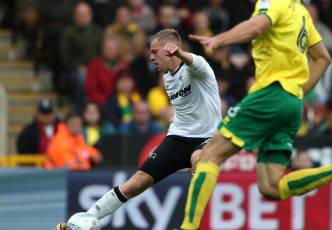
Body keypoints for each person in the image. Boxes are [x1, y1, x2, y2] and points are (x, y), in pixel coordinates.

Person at [180, 0, 332, 229]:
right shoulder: (301, 12)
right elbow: (323, 58)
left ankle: (188, 227)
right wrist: (298, 94)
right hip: (292, 103)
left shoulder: (273, 1)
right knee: (271, 188)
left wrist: (218, 39)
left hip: (270, 93)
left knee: (210, 156)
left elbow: (255, 27)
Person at [56, 28, 221, 230]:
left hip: (206, 138)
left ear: (170, 50)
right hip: (179, 136)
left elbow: (193, 62)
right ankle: (88, 217)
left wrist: (179, 53)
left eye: (154, 51)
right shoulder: (167, 77)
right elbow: (188, 106)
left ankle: (190, 226)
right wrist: (175, 116)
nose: (151, 57)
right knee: (137, 182)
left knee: (199, 161)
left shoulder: (197, 67)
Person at [60, 2, 103, 112]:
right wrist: (77, 66)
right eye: (80, 14)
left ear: (91, 15)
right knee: (82, 78)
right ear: (75, 16)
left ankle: (100, 109)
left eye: (85, 14)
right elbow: (65, 55)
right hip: (77, 69)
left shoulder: (98, 31)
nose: (83, 17)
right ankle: (78, 110)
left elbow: (103, 52)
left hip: (96, 67)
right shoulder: (69, 33)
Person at [85, 36, 129, 106]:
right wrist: (107, 102)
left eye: (113, 49)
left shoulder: (125, 65)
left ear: (118, 50)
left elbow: (130, 86)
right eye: (107, 49)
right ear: (102, 49)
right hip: (102, 103)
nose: (110, 52)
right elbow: (91, 90)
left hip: (122, 102)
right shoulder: (94, 65)